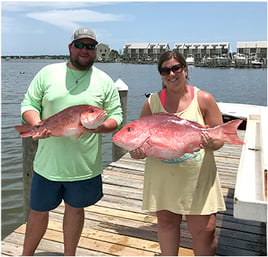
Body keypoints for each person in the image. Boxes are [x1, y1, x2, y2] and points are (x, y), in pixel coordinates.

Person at [21, 27, 123, 256]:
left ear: (96, 50)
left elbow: (116, 116)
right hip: (47, 165)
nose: (85, 50)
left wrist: (99, 127)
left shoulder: (105, 81)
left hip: (84, 168)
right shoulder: (47, 73)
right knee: (37, 211)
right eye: (80, 45)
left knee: (76, 210)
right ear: (70, 47)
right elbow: (29, 104)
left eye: (90, 46)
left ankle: (70, 254)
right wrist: (37, 124)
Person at [130, 50, 226, 256]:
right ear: (160, 74)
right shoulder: (152, 102)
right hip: (163, 178)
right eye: (165, 70)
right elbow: (141, 138)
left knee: (205, 230)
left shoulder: (204, 99)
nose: (171, 74)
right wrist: (137, 152)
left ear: (185, 69)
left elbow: (220, 139)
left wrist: (213, 141)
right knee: (166, 224)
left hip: (198, 179)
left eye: (176, 68)